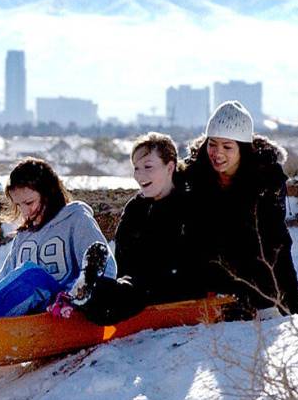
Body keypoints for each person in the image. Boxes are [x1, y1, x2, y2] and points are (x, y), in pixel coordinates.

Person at [0, 157, 115, 338]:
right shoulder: (24, 235)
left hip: (59, 306)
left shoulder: (76, 219)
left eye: (29, 202)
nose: (24, 211)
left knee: (31, 276)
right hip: (20, 307)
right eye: (18, 205)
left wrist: (84, 297)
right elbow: (5, 281)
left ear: (48, 193)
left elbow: (103, 263)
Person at [181, 100, 298, 317]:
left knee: (283, 307)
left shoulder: (265, 182)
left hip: (257, 270)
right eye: (212, 144)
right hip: (214, 274)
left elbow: (276, 242)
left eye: (227, 146)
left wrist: (291, 301)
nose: (217, 153)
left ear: (242, 148)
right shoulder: (192, 177)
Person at [80, 132, 209, 326]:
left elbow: (195, 260)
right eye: (136, 168)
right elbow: (124, 254)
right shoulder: (136, 208)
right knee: (117, 291)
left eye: (148, 167)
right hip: (136, 285)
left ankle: (92, 297)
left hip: (176, 285)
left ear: (170, 167)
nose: (140, 176)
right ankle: (84, 291)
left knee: (116, 299)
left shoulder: (190, 204)